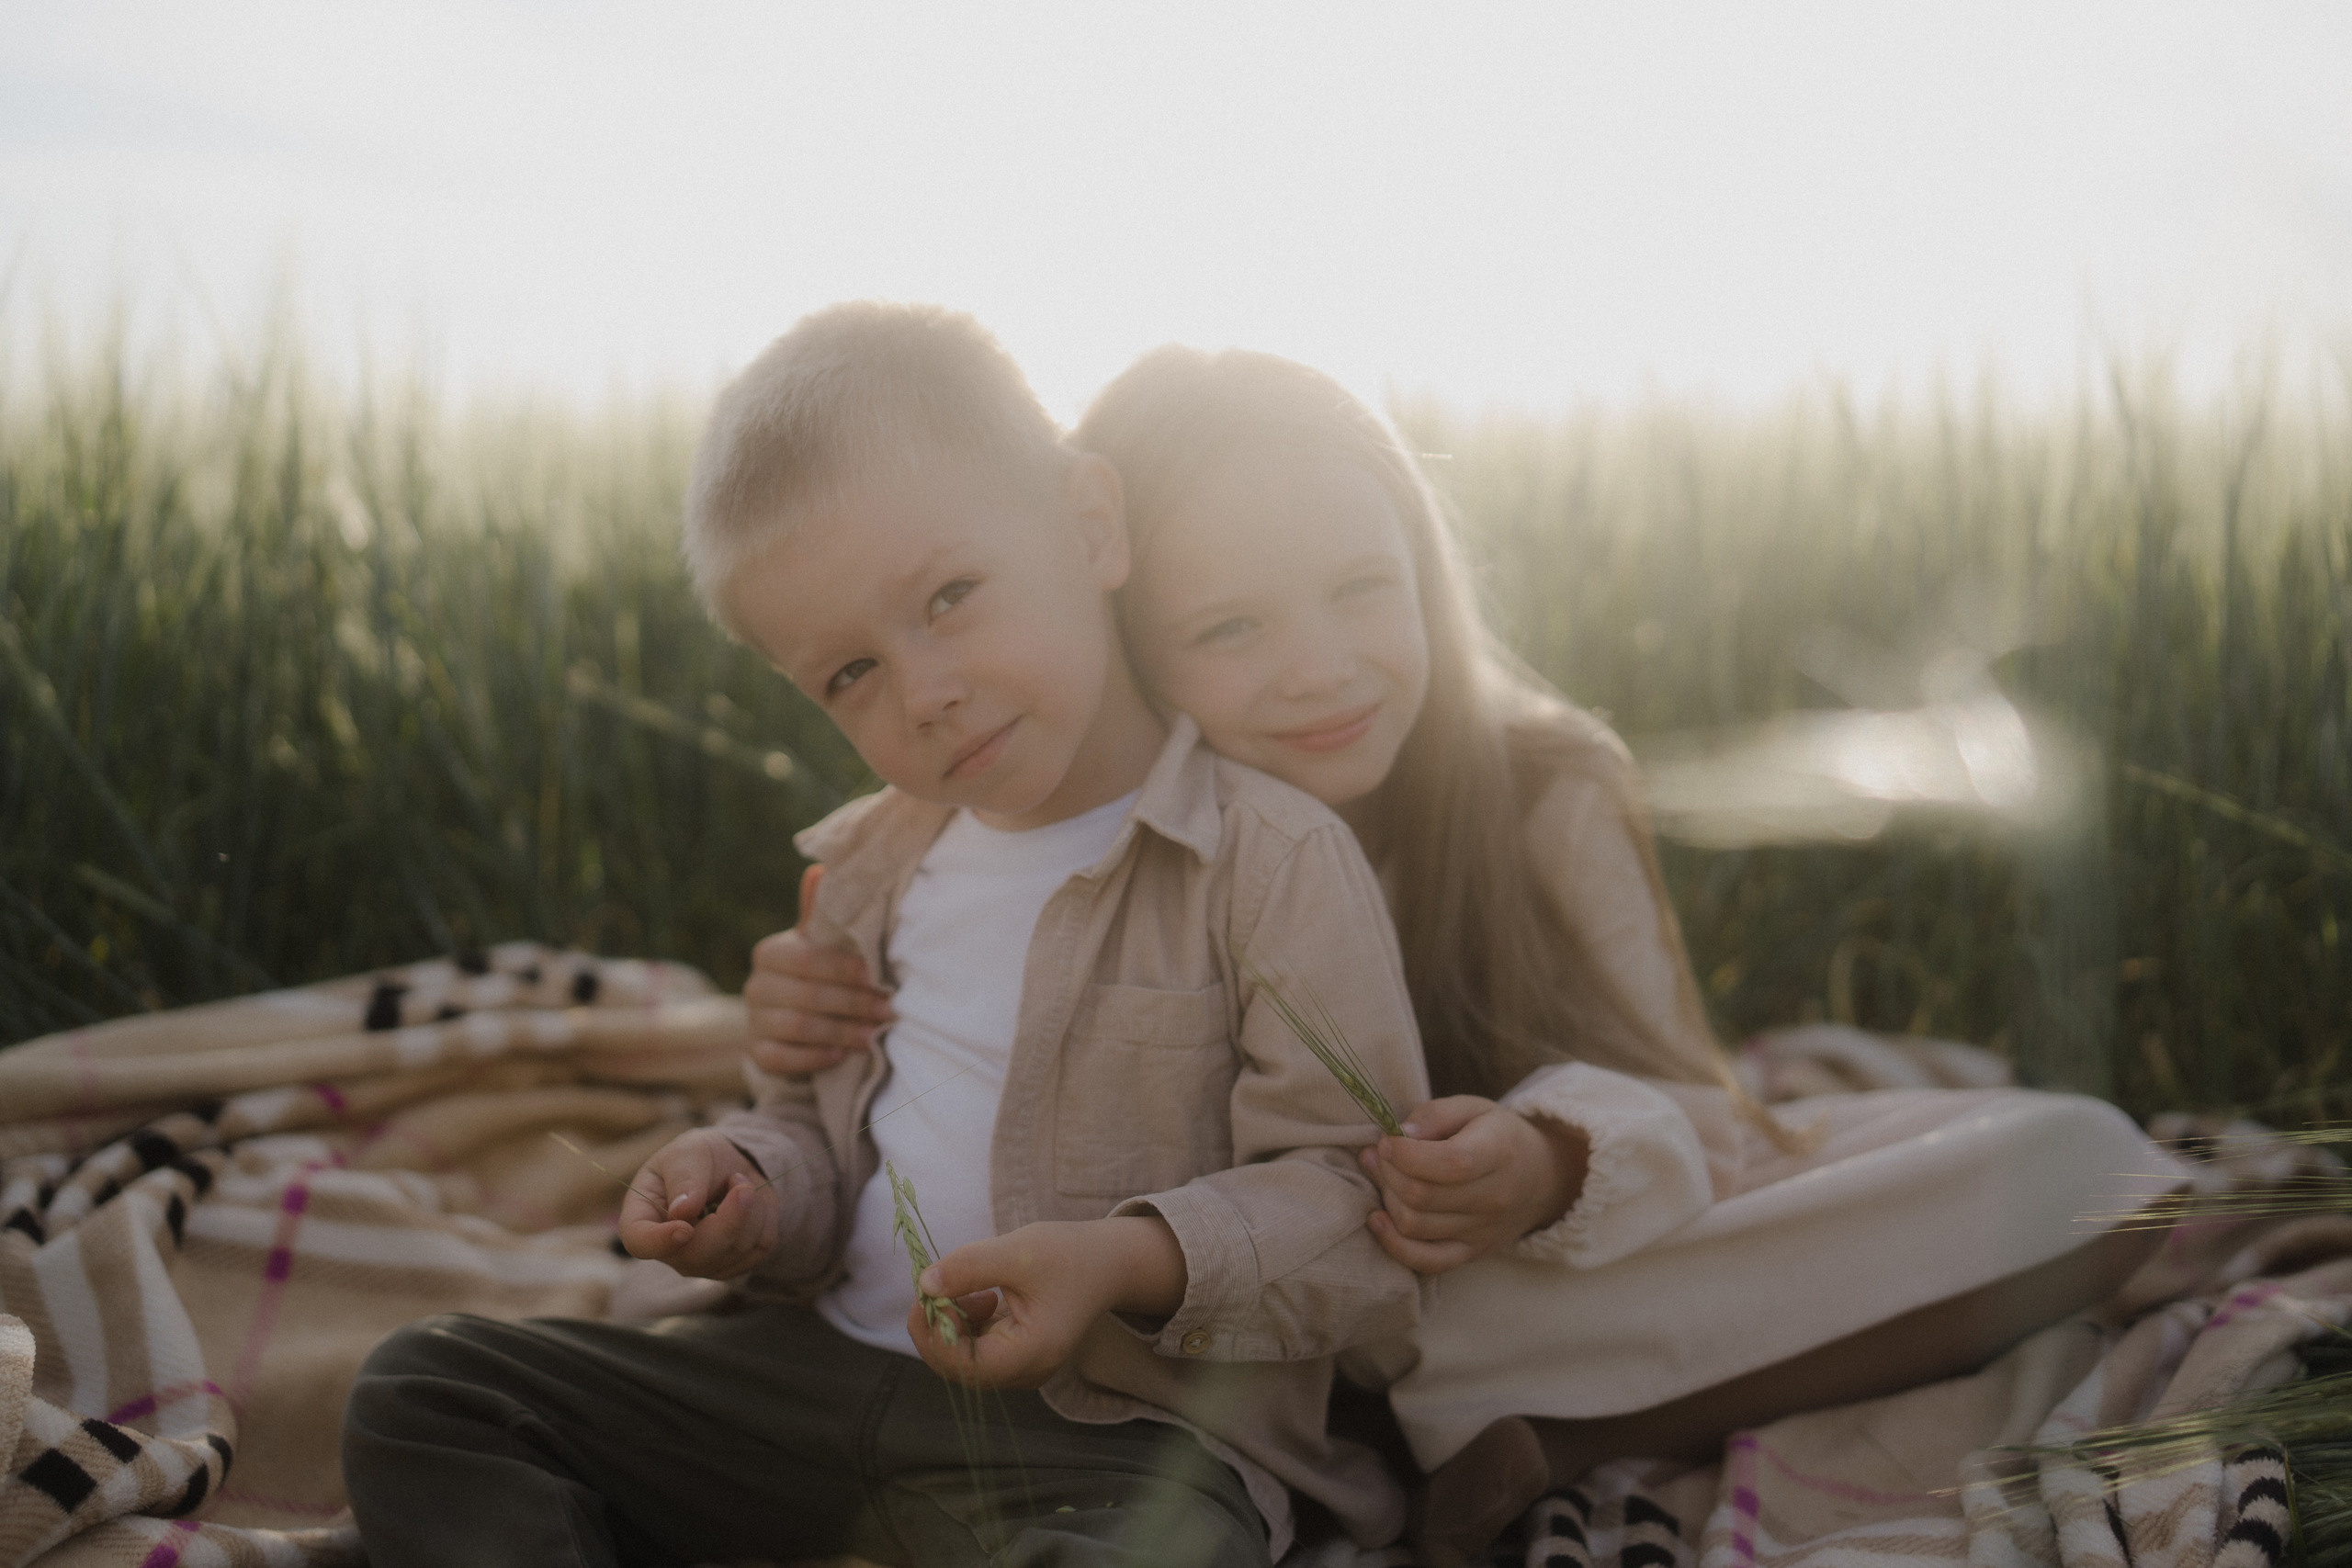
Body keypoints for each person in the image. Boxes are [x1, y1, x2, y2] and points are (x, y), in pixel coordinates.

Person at [749, 344, 2182, 1562]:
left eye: (1363, 590)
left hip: (1543, 1277)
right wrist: (812, 1013)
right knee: (1420, 1327)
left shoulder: (1540, 786)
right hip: (1258, 1342)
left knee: (2073, 1160)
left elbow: (1694, 1110)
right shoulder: (1100, 835)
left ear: (1423, 571)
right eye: (1230, 627)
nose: (1320, 668)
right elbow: (945, 1063)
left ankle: (1545, 1427)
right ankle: (1519, 1426)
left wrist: (1545, 1159)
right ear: (1126, 633)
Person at [338, 305, 1438, 1568]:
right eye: (849, 674)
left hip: (1107, 1441)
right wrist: (746, 1188)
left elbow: (1354, 1215)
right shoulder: (867, 868)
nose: (925, 691)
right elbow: (812, 1136)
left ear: (1090, 528)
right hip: (800, 1385)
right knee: (430, 1388)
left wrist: (1119, 1262)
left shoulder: (1270, 859)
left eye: (953, 597)